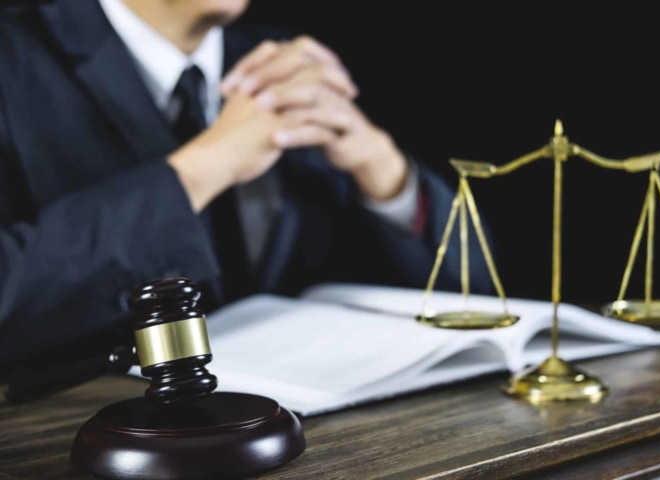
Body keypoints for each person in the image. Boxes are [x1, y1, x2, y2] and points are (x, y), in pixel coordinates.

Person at [0, 0, 493, 370]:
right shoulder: (14, 58)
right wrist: (203, 168)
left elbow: (473, 292)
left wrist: (382, 169)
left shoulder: (286, 69)